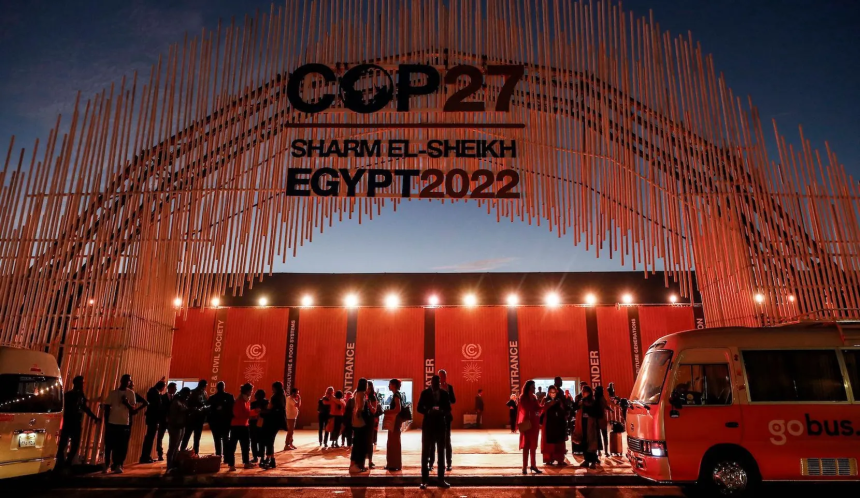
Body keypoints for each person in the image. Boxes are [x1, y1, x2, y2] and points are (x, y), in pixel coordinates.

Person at [103, 374, 146, 474]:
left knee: (121, 445)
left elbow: (133, 409)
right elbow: (106, 408)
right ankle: (107, 464)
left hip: (124, 423)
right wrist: (106, 422)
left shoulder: (131, 393)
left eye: (129, 381)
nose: (128, 382)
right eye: (126, 380)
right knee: (109, 445)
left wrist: (126, 403)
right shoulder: (113, 393)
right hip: (112, 422)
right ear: (121, 380)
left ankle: (119, 464)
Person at [57, 375, 99, 470]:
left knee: (73, 445)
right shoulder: (69, 395)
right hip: (69, 422)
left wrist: (94, 417)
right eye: (81, 383)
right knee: (64, 444)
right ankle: (62, 463)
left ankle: (66, 463)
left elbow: (84, 407)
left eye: (82, 383)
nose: (82, 385)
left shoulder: (80, 395)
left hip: (75, 422)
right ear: (76, 383)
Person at [417, 374, 451, 489]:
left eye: (437, 383)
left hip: (440, 426)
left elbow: (448, 409)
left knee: (441, 453)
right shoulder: (425, 393)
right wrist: (428, 411)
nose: (435, 385)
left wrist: (441, 411)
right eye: (434, 383)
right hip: (428, 426)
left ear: (439, 383)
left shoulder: (445, 394)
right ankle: (424, 480)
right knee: (425, 453)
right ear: (431, 383)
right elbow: (419, 408)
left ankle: (441, 479)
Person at [429, 369, 455, 472]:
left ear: (445, 377)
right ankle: (431, 463)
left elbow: (453, 400)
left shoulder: (449, 387)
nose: (441, 378)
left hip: (446, 417)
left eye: (443, 376)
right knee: (433, 442)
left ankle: (448, 463)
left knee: (447, 441)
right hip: (435, 418)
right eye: (439, 376)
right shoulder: (432, 389)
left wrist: (446, 393)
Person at [226, 383, 255, 471]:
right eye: (251, 391)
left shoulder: (246, 401)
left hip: (244, 425)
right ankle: (231, 465)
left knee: (246, 446)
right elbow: (237, 414)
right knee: (233, 446)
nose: (252, 392)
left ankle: (246, 462)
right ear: (246, 391)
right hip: (237, 426)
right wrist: (252, 413)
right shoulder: (239, 401)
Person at [517, 380, 543, 475]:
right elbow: (526, 408)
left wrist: (545, 406)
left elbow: (538, 408)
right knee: (526, 446)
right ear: (528, 387)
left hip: (534, 423)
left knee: (533, 446)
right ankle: (524, 467)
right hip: (527, 423)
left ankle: (533, 465)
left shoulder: (534, 397)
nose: (534, 388)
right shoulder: (523, 397)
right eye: (533, 387)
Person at [139, 380, 167, 463]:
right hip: (153, 418)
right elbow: (157, 407)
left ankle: (146, 456)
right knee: (149, 438)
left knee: (149, 438)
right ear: (162, 387)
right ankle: (145, 456)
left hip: (152, 418)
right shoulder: (155, 394)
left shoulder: (153, 392)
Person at [573, 385, 600, 468]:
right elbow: (575, 407)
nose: (583, 393)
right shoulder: (581, 401)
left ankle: (593, 461)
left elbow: (596, 413)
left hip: (591, 424)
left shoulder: (593, 401)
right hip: (582, 424)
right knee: (584, 442)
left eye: (585, 391)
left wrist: (588, 408)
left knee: (591, 443)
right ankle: (586, 460)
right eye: (582, 391)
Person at [261, 381, 287, 469]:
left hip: (272, 420)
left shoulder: (274, 397)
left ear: (275, 388)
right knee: (271, 439)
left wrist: (263, 411)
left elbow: (270, 407)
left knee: (269, 439)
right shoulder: (283, 396)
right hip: (279, 420)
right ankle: (271, 460)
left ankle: (269, 459)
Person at [541, 385, 568, 465]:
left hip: (558, 423)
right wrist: (548, 405)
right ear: (548, 393)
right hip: (548, 423)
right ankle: (548, 459)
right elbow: (541, 410)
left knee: (559, 441)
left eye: (554, 392)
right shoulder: (545, 400)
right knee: (548, 442)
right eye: (551, 392)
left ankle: (559, 458)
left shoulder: (559, 400)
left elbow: (562, 410)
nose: (553, 394)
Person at [165, 387, 191, 473]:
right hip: (175, 426)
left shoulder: (182, 401)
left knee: (176, 447)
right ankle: (169, 466)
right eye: (187, 395)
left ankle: (173, 464)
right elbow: (173, 415)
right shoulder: (176, 402)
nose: (188, 397)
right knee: (173, 447)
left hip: (181, 426)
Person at [208, 381, 235, 460]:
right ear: (224, 387)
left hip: (215, 423)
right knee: (225, 439)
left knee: (217, 440)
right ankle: (226, 457)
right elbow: (232, 409)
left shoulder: (212, 398)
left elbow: (209, 411)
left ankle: (218, 456)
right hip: (226, 422)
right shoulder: (229, 396)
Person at [181, 379, 209, 454]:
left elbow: (205, 403)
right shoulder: (192, 392)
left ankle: (196, 453)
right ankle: (182, 452)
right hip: (192, 418)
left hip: (200, 418)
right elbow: (188, 404)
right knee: (186, 436)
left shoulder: (204, 393)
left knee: (197, 438)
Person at [348, 378, 369, 473]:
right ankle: (355, 465)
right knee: (359, 444)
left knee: (356, 443)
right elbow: (360, 408)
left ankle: (354, 464)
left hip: (355, 422)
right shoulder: (362, 394)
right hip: (360, 422)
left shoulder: (356, 393)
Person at [384, 378, 403, 471]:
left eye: (390, 384)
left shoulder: (396, 395)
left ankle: (393, 464)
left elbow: (398, 409)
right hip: (396, 422)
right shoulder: (397, 395)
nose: (388, 386)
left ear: (394, 385)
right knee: (393, 442)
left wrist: (388, 411)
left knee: (393, 443)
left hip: (395, 422)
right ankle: (393, 463)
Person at [366, 381, 382, 469]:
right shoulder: (361, 395)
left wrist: (369, 404)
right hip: (362, 421)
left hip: (370, 421)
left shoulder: (373, 397)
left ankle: (370, 461)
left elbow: (374, 410)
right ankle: (362, 461)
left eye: (368, 388)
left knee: (369, 442)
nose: (367, 390)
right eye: (366, 388)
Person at [249, 389, 268, 462]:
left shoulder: (253, 404)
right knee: (262, 442)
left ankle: (255, 457)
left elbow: (250, 414)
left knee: (253, 442)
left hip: (253, 425)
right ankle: (262, 457)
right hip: (263, 425)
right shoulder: (266, 402)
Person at [594, 386, 610, 457]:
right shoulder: (602, 398)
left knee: (597, 436)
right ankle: (606, 451)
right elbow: (605, 406)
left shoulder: (595, 398)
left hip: (596, 419)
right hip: (602, 418)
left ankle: (598, 451)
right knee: (604, 435)